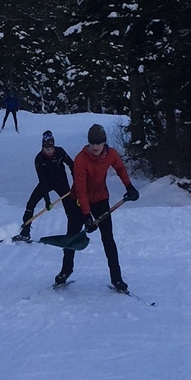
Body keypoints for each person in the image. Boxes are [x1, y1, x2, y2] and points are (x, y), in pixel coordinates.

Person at [56, 122, 139, 292]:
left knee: (108, 238)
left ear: (104, 143)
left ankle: (117, 278)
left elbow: (120, 169)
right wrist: (87, 215)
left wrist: (129, 187)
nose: (95, 147)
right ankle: (65, 271)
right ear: (88, 143)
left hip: (101, 199)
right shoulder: (81, 160)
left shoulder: (111, 154)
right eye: (92, 143)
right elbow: (81, 189)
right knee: (72, 237)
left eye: (98, 143)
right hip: (78, 201)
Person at [13, 129, 75, 241]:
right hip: (46, 183)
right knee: (31, 203)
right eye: (47, 149)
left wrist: (76, 182)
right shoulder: (39, 159)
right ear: (42, 147)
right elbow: (42, 181)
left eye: (51, 148)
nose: (50, 151)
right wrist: (47, 201)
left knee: (69, 207)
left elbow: (72, 165)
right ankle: (25, 232)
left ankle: (72, 233)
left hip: (61, 183)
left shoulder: (60, 152)